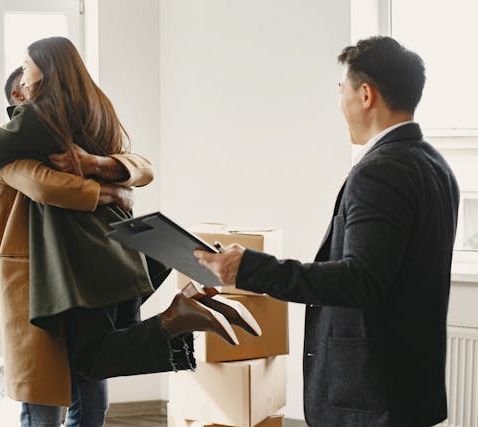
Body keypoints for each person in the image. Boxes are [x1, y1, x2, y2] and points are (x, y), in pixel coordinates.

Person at [0, 36, 252, 426]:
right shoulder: (87, 120)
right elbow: (135, 168)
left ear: (31, 87)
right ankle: (184, 312)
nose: (27, 79)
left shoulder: (28, 132)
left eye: (28, 67)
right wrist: (111, 187)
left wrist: (98, 168)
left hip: (64, 275)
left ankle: (178, 317)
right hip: (112, 259)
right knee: (95, 370)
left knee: (62, 385)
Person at [195, 36, 459, 427]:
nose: (340, 102)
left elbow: (359, 280)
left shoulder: (380, 171)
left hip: (370, 394)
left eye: (342, 90)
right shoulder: (435, 166)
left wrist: (247, 268)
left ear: (365, 94)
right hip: (408, 385)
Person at [3, 66, 111, 427]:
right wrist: (111, 190)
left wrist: (100, 164)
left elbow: (141, 165)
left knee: (92, 402)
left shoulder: (74, 148)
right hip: (34, 282)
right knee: (43, 405)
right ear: (20, 96)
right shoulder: (4, 148)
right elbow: (48, 187)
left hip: (80, 279)